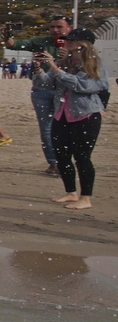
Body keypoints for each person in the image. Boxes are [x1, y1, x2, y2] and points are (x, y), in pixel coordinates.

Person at [40, 30, 108, 210]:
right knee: (61, 155)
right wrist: (40, 69)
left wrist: (55, 69)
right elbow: (47, 84)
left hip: (85, 115)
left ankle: (86, 197)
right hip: (62, 114)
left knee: (82, 156)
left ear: (83, 43)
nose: (67, 42)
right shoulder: (66, 62)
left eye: (71, 40)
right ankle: (71, 192)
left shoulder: (94, 64)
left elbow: (82, 85)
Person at [14, 16, 75, 176]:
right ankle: (54, 163)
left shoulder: (77, 43)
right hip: (42, 89)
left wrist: (69, 55)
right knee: (47, 129)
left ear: (70, 27)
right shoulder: (43, 42)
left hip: (65, 91)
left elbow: (87, 69)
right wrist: (8, 38)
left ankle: (67, 161)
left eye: (59, 27)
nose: (55, 30)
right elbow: (14, 45)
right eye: (52, 27)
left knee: (66, 128)